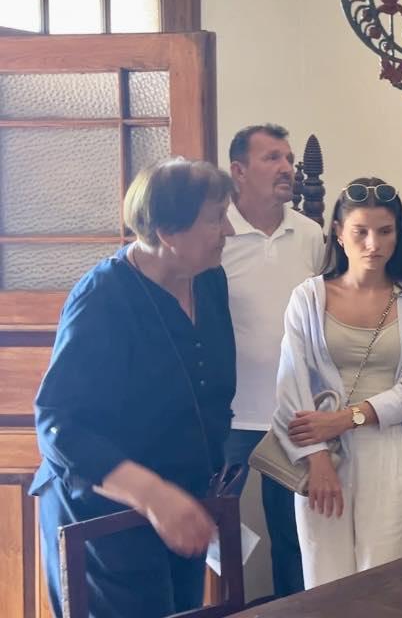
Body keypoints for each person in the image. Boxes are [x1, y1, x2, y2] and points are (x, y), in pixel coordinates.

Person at [31, 158, 236, 618]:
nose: (228, 230)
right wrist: (153, 494)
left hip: (182, 506)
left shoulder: (209, 280)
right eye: (215, 219)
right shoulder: (102, 297)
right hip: (105, 517)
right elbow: (58, 424)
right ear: (168, 232)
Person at [272, 178, 402, 588]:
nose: (373, 244)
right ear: (338, 232)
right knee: (324, 577)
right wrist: (317, 458)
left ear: (398, 235)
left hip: (390, 446)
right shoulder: (308, 298)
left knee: (386, 578)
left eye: (385, 231)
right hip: (319, 448)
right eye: (360, 231)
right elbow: (291, 384)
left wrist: (347, 418)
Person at [220, 123, 324, 597]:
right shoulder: (215, 233)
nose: (287, 168)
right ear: (238, 171)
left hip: (294, 416)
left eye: (289, 159)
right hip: (228, 418)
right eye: (272, 158)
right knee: (213, 534)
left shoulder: (311, 235)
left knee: (295, 539)